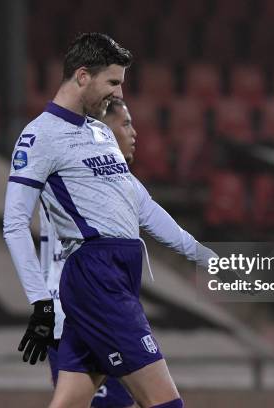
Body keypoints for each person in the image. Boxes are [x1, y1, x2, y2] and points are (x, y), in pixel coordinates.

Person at [3, 33, 212, 408]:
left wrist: (206, 258)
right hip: (97, 277)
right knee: (166, 402)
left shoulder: (99, 132)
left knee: (73, 403)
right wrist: (40, 304)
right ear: (82, 76)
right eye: (112, 82)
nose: (117, 94)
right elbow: (15, 224)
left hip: (118, 274)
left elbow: (144, 209)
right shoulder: (39, 136)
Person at [39, 98, 215, 408]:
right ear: (102, 131)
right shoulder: (72, 177)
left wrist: (212, 260)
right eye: (126, 123)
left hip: (83, 307)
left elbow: (168, 230)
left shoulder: (122, 184)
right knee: (162, 401)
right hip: (93, 303)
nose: (134, 133)